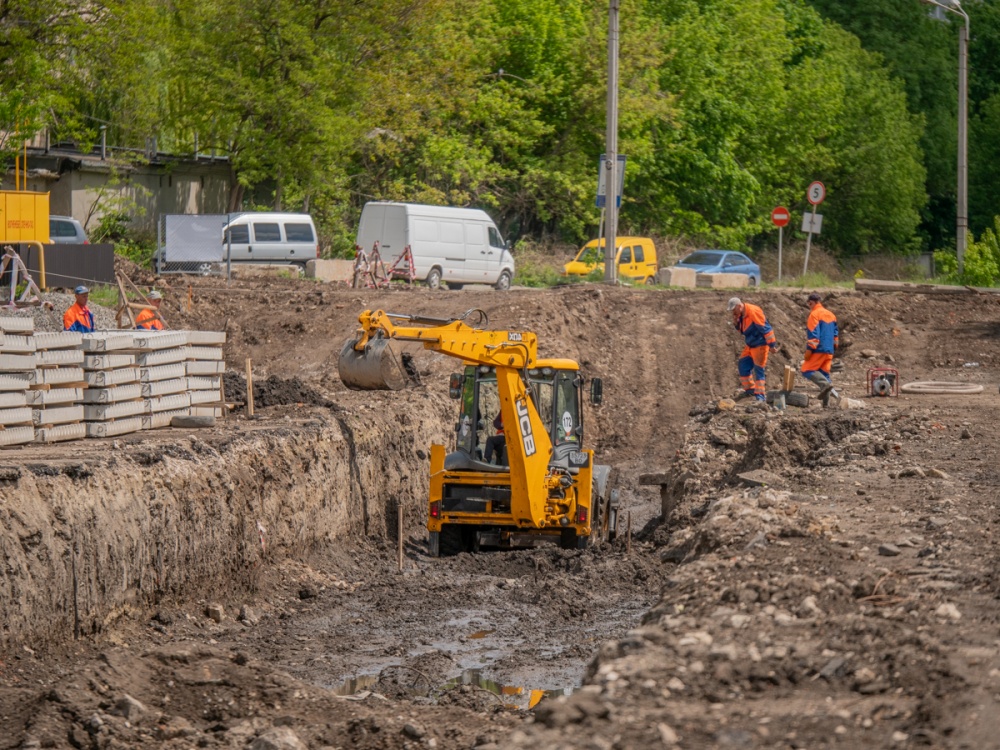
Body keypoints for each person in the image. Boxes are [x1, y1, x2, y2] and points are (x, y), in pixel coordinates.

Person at [728, 297, 777, 402]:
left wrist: (772, 345)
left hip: (760, 345)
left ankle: (760, 397)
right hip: (750, 345)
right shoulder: (741, 314)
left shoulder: (753, 311)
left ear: (739, 306)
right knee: (743, 364)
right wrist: (736, 323)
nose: (733, 312)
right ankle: (750, 390)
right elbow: (743, 331)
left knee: (759, 370)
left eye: (733, 309)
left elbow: (766, 328)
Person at [801, 291, 840, 407]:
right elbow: (835, 334)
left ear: (811, 302)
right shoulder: (831, 315)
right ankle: (826, 405)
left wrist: (809, 350)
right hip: (829, 350)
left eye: (809, 304)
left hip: (819, 349)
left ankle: (825, 385)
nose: (809, 306)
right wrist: (833, 348)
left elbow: (814, 335)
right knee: (824, 374)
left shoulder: (814, 314)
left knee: (806, 370)